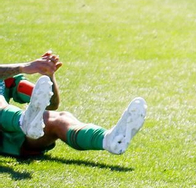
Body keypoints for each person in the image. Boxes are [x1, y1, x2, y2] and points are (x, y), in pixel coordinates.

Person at [1, 52, 146, 161]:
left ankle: (109, 140)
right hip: (13, 127)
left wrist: (49, 76)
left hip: (11, 139)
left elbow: (51, 105)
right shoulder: (10, 72)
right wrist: (23, 67)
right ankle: (22, 121)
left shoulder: (8, 80)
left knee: (58, 119)